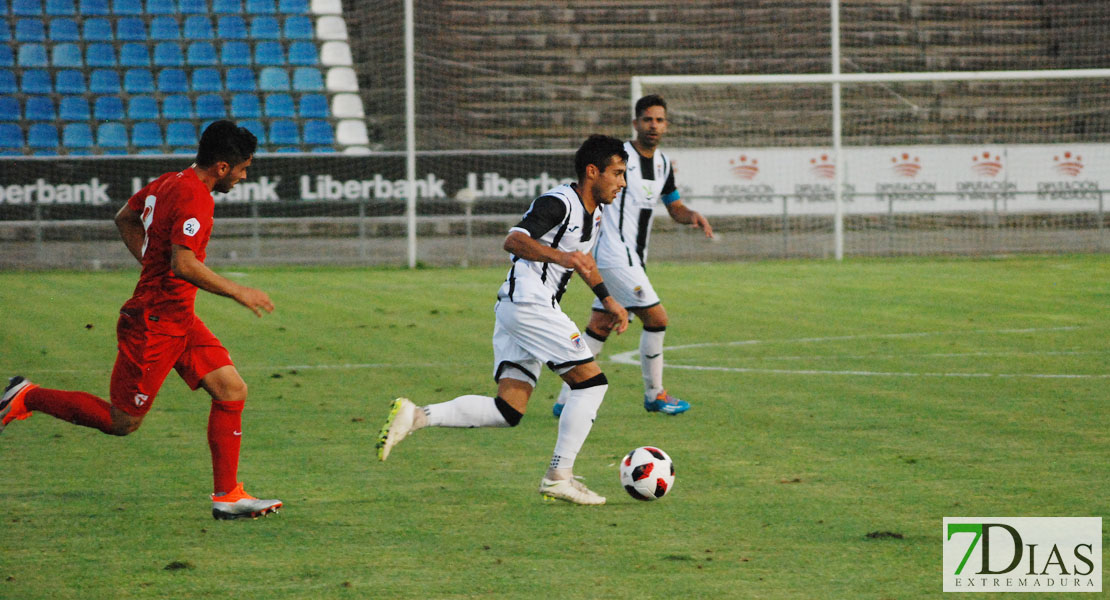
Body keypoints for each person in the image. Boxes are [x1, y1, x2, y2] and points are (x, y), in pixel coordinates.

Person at [0, 120, 282, 520]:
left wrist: (152, 262)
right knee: (122, 421)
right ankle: (28, 396)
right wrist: (239, 290)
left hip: (179, 318)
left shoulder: (170, 181)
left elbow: (124, 218)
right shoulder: (196, 198)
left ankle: (228, 495)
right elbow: (184, 264)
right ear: (222, 167)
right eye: (243, 168)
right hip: (153, 323)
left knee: (231, 390)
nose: (243, 176)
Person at [376, 134, 630, 505]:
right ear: (593, 171)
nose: (622, 182)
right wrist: (561, 258)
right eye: (617, 173)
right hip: (531, 304)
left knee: (508, 409)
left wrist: (608, 300)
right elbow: (513, 240)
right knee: (591, 384)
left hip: (520, 307)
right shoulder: (559, 203)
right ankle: (559, 476)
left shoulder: (597, 214)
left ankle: (416, 416)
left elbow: (583, 262)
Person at [553, 95, 714, 418]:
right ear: (635, 123)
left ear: (666, 125)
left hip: (633, 257)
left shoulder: (663, 164)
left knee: (600, 324)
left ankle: (564, 399)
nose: (653, 126)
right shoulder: (619, 157)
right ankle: (655, 394)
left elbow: (674, 206)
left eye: (659, 120)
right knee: (657, 318)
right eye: (647, 119)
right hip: (613, 254)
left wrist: (691, 215)